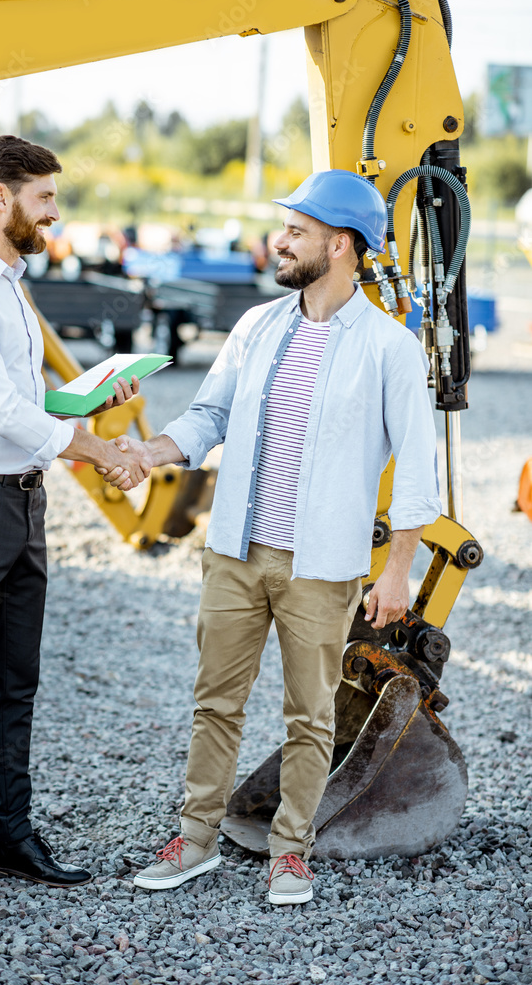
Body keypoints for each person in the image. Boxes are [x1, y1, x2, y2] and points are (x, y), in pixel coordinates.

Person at [108, 170, 441, 906]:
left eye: (295, 230)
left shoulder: (389, 347)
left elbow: (419, 468)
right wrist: (147, 453)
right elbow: (208, 417)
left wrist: (397, 572)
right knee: (214, 703)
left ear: (341, 244)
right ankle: (194, 840)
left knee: (309, 713)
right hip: (235, 552)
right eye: (282, 228)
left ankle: (291, 851)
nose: (279, 241)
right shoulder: (256, 327)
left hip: (321, 564)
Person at [0, 135, 150, 911]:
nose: (53, 212)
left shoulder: (8, 283)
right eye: (44, 198)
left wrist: (83, 403)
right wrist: (95, 450)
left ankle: (8, 837)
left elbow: (27, 401)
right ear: (0, 197)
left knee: (15, 684)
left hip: (19, 498)